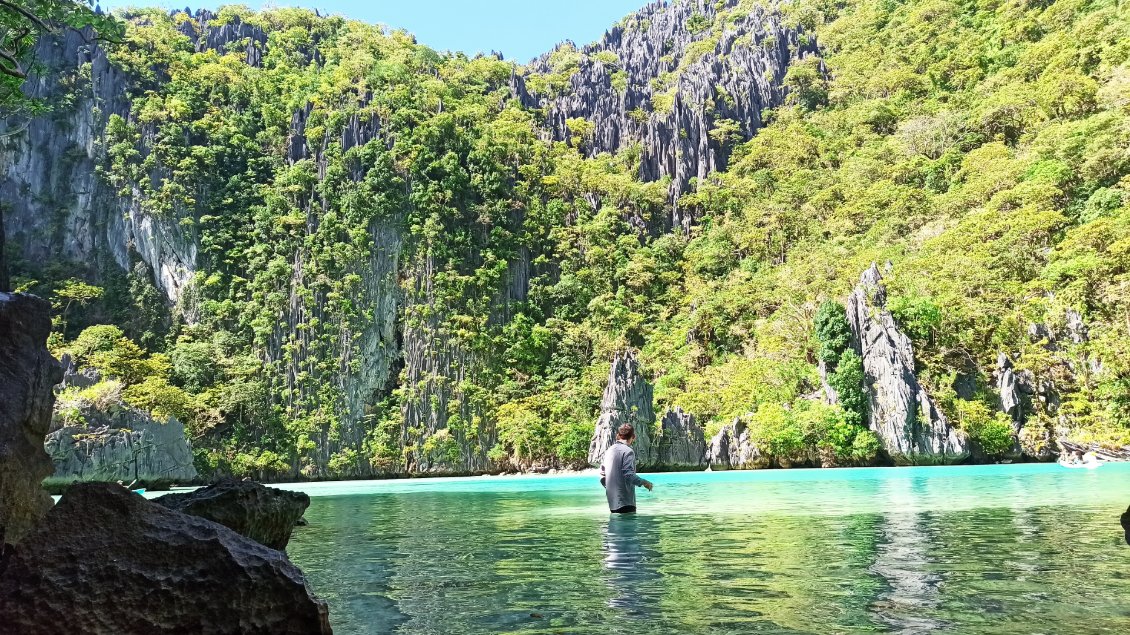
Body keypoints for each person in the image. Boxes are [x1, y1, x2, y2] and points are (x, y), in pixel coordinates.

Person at [600, 423, 653, 513]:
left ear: (617, 436)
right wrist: (644, 482)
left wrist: (612, 489)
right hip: (626, 503)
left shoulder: (609, 450)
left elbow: (602, 476)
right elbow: (628, 475)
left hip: (612, 502)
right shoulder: (628, 451)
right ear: (633, 436)